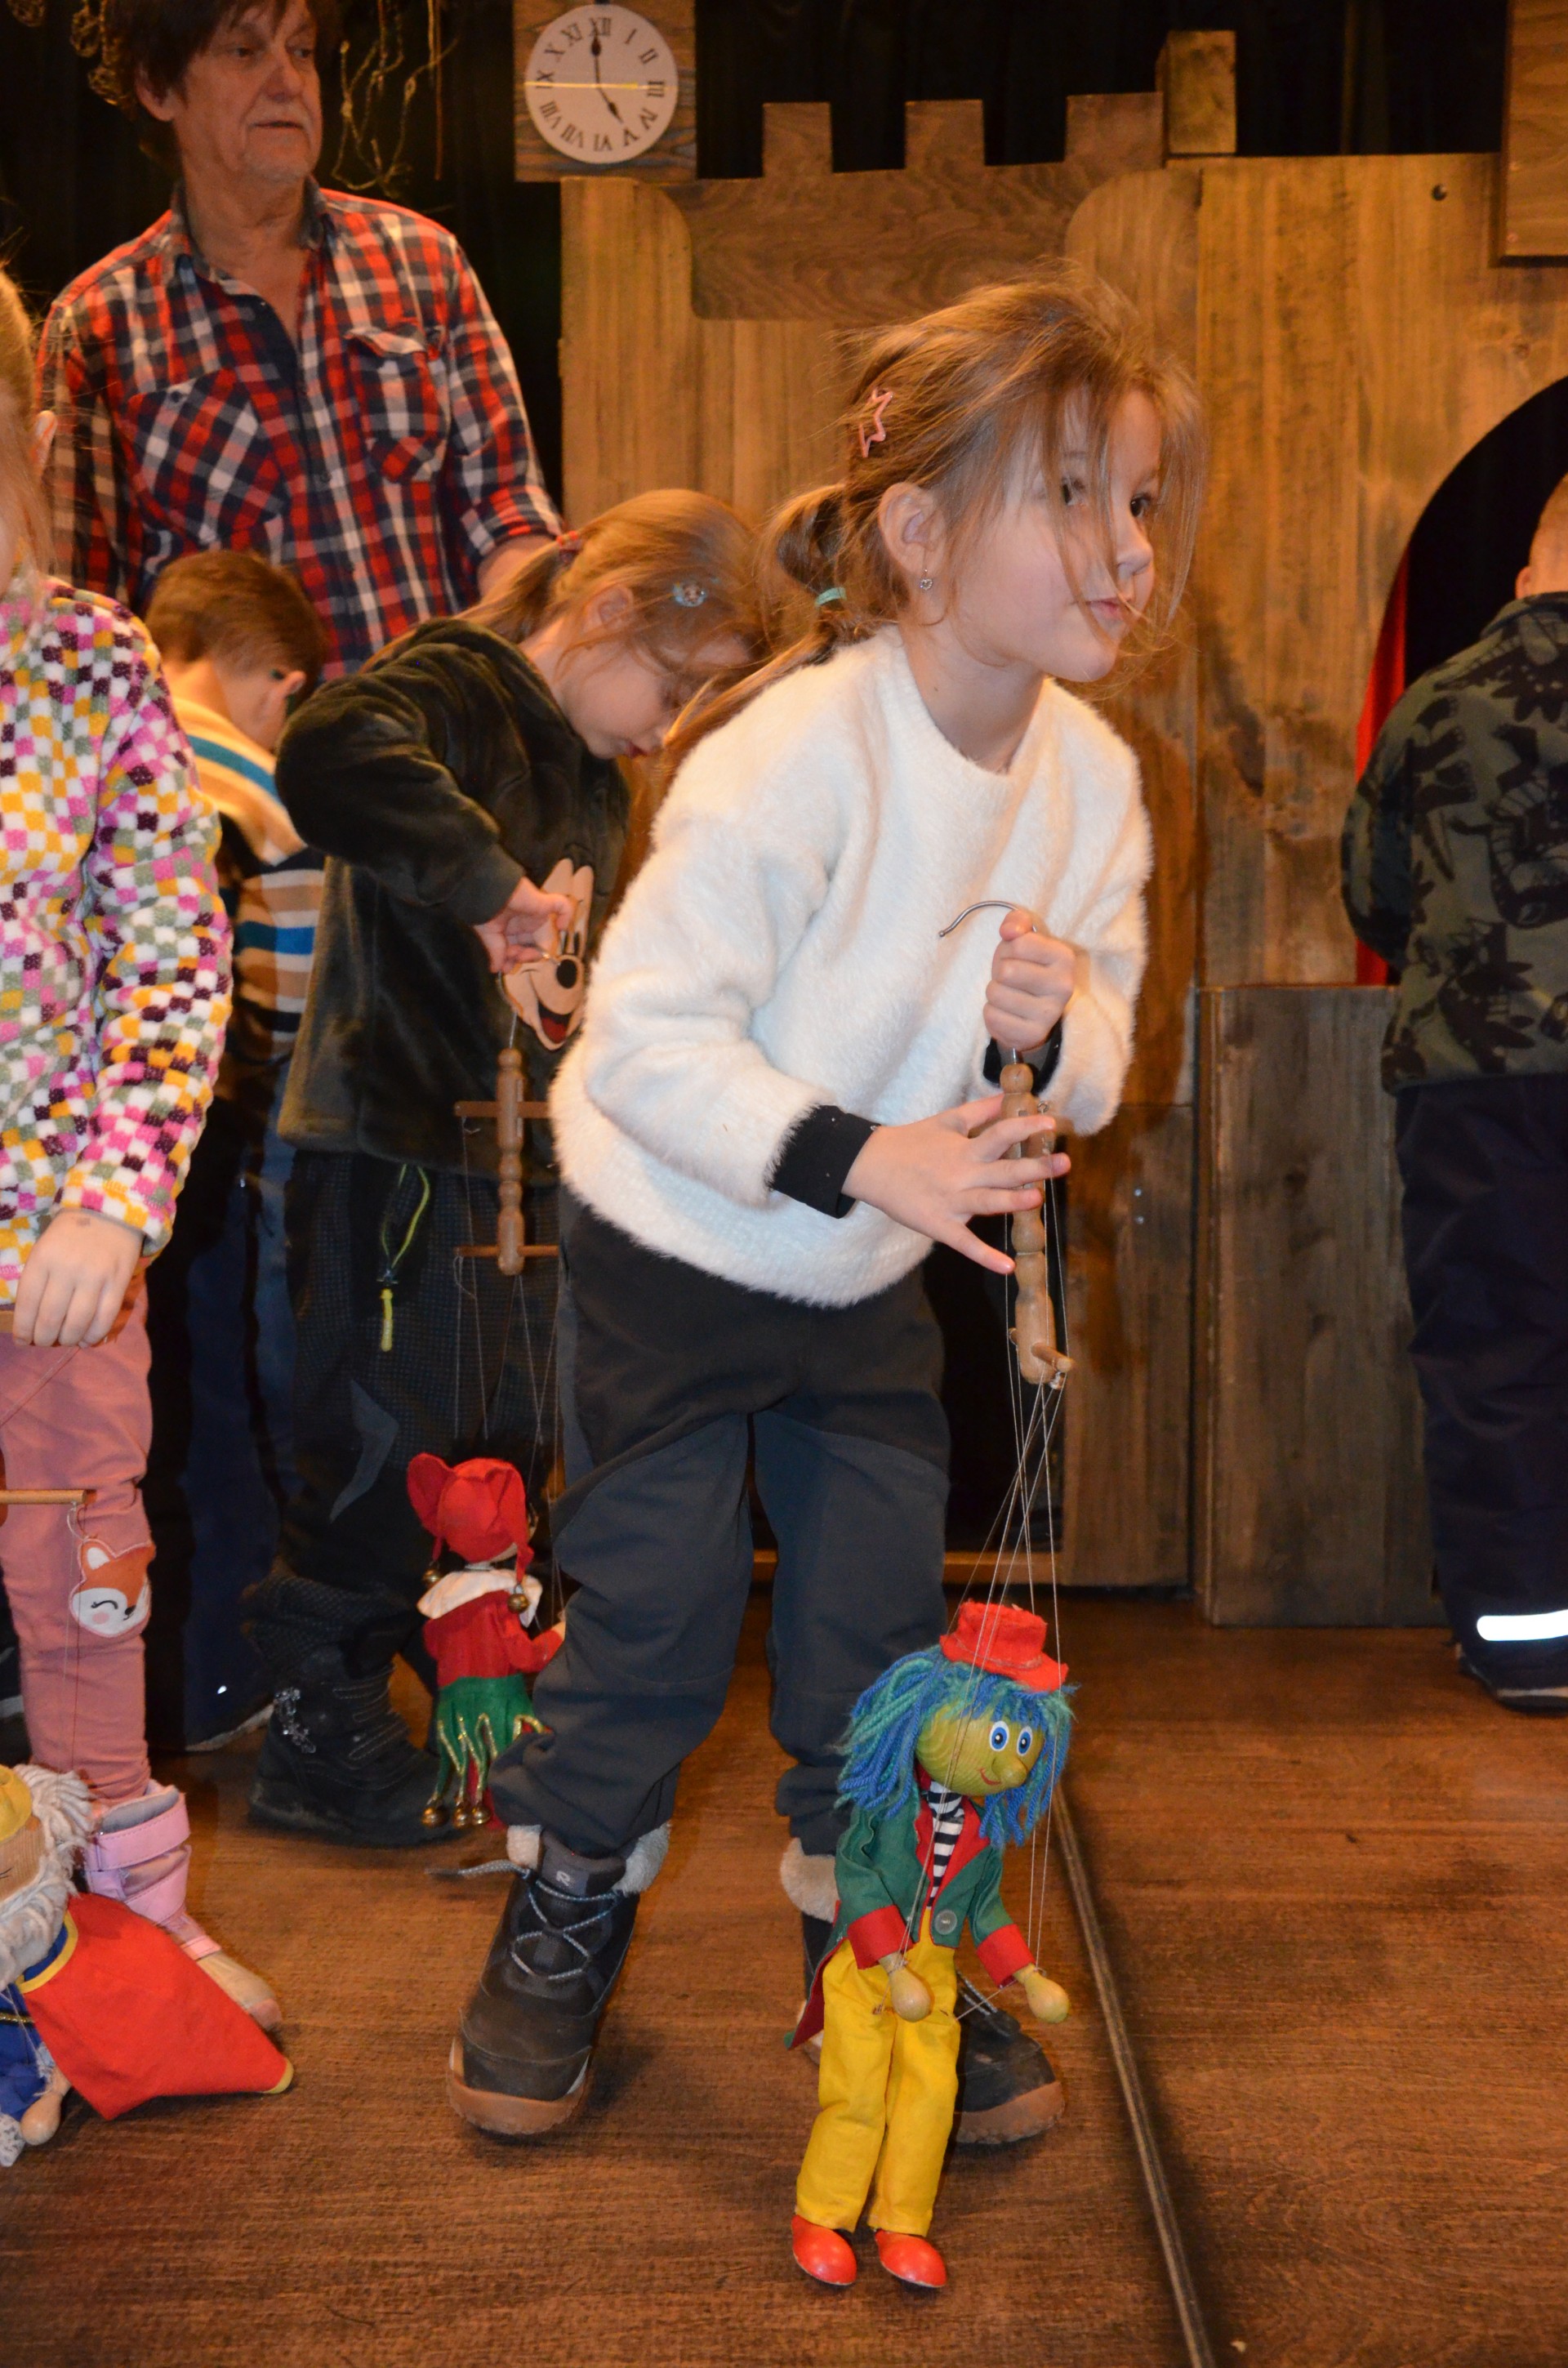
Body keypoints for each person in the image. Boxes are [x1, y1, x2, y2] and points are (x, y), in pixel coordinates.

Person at [450, 271, 1204, 2145]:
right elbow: (641, 1048)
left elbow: (1102, 1065)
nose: (1128, 547)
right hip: (672, 1244)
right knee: (655, 1616)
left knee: (874, 1630)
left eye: (1138, 499)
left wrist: (1059, 1026)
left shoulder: (1096, 782)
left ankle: (876, 1945)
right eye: (1074, 495)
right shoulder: (792, 755)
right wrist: (874, 1155)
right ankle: (565, 1911)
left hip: (859, 1266)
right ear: (920, 535)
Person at [243, 491, 763, 1849]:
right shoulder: (461, 683)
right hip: (395, 1147)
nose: (664, 730)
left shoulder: (593, 771)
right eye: (669, 690)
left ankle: (469, 1682)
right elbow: (329, 750)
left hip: (510, 1170)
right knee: (383, 1441)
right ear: (608, 610)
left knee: (501, 1445)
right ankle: (318, 1721)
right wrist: (484, 882)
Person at [0, 266, 275, 2027]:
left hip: (56, 1258)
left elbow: (173, 961)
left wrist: (113, 1201)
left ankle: (129, 1919)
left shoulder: (93, 667)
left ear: (31, 439)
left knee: (87, 1585)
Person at [38, 0, 555, 678]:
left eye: (302, 51)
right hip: (240, 747)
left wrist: (516, 661)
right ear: (157, 88)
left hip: (444, 730)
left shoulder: (424, 263)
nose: (288, 82)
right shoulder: (98, 325)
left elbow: (508, 510)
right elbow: (80, 620)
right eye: (245, 52)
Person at [1343, 471, 1568, 1715]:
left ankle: (1527, 1641)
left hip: (1479, 1077)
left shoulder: (1438, 701)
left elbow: (1374, 891)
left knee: (1497, 1347)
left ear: (1531, 572)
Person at [141, 548, 329, 1749]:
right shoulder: (266, 790)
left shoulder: (98, 746)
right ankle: (226, 1670)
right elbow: (296, 998)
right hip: (222, 1139)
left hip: (86, 1154)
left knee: (143, 1409)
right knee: (232, 1403)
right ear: (279, 679)